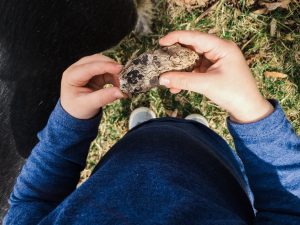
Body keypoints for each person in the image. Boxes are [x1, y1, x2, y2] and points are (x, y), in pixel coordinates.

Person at [4, 31, 300, 225]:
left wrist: (70, 120)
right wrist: (251, 111)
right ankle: (195, 130)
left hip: (132, 155)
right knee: (196, 141)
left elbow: (34, 199)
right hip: (216, 171)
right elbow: (290, 209)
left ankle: (151, 130)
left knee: (152, 137)